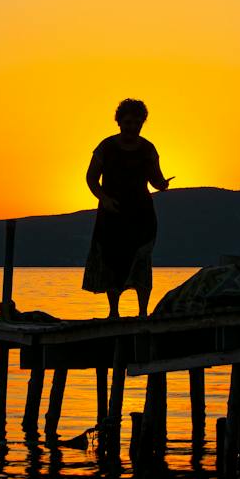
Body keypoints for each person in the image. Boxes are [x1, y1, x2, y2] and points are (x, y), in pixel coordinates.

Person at [83, 98, 172, 318]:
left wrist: (162, 184)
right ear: (119, 122)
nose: (133, 127)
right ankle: (114, 312)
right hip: (112, 214)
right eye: (128, 122)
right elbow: (91, 178)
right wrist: (104, 199)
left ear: (142, 123)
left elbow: (155, 179)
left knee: (141, 260)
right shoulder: (106, 147)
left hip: (141, 216)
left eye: (137, 123)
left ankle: (143, 312)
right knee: (112, 261)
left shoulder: (148, 149)